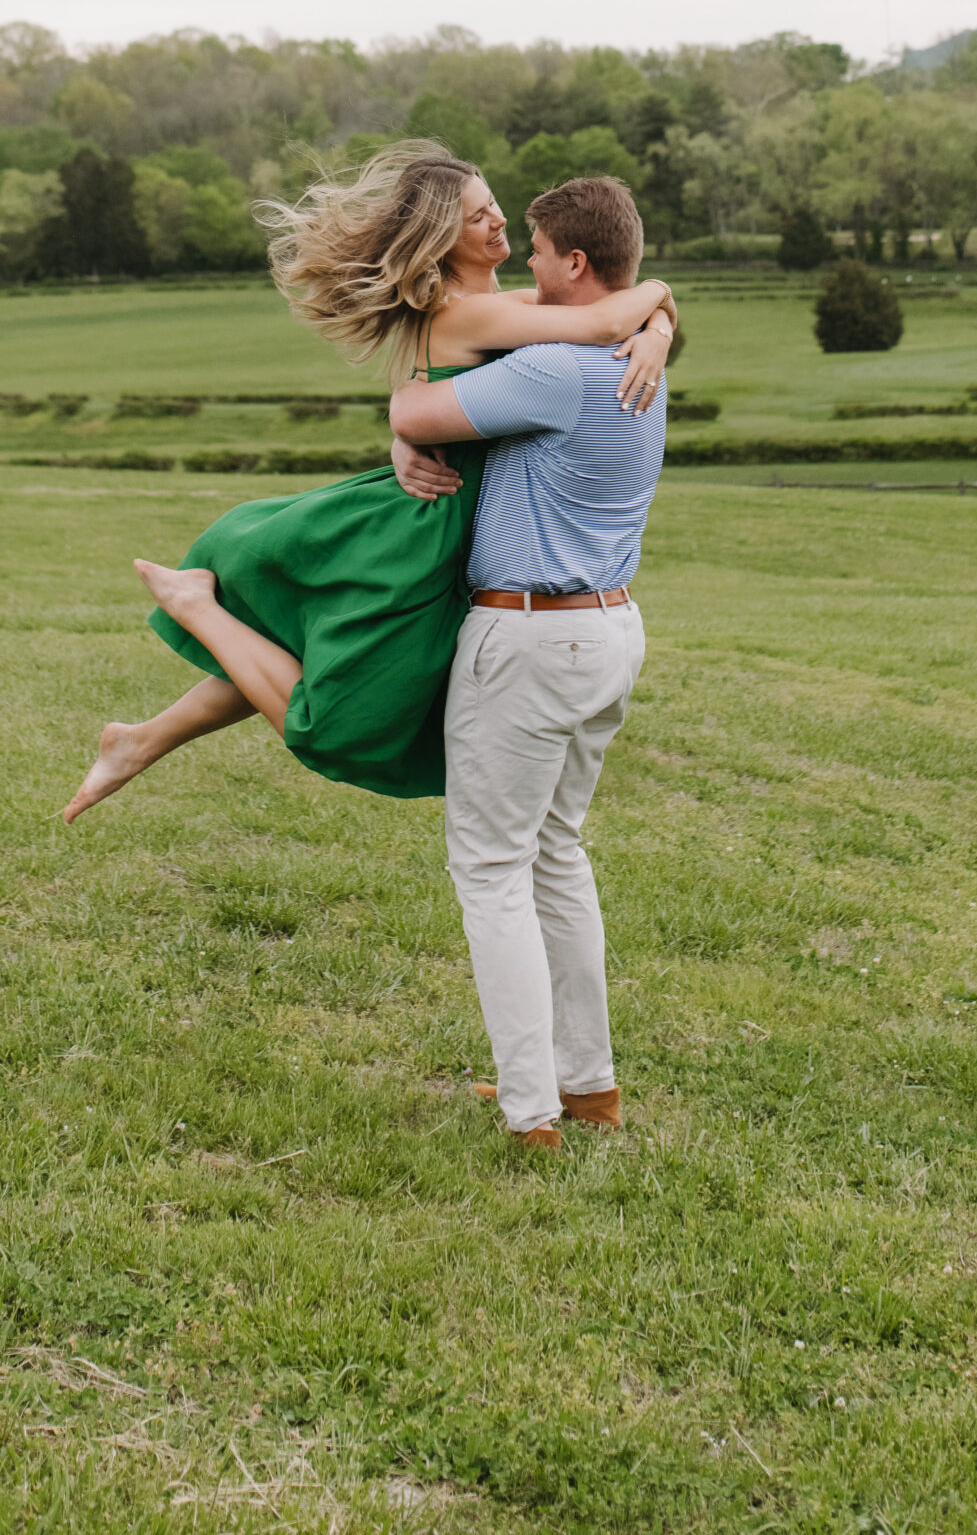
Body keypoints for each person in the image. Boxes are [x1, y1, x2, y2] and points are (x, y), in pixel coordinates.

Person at [63, 144, 674, 821]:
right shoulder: (468, 311)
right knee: (340, 718)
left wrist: (658, 327)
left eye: (493, 203)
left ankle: (141, 739)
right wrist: (656, 304)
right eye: (477, 216)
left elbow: (598, 314)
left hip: (455, 514)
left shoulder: (497, 302)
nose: (498, 222)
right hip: (427, 524)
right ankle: (193, 607)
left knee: (305, 643)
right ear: (442, 237)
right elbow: (606, 318)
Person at [387, 174, 666, 1152]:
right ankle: (587, 1086)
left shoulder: (554, 367)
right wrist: (663, 314)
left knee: (492, 867)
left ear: (577, 264)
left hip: (531, 636)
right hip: (608, 629)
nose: (529, 266)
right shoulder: (638, 358)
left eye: (541, 253)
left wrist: (398, 423)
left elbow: (421, 411)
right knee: (555, 852)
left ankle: (530, 1109)